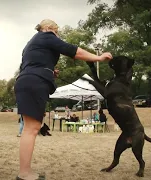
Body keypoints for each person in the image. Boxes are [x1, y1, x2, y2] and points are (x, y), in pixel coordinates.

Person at [14, 19, 112, 180]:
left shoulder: (30, 44)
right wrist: (98, 58)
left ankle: (25, 171)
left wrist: (49, 72)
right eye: (56, 31)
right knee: (31, 129)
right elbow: (73, 51)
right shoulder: (46, 36)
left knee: (30, 127)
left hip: (26, 81)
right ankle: (24, 173)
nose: (57, 35)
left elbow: (32, 64)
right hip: (34, 83)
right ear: (48, 28)